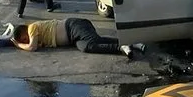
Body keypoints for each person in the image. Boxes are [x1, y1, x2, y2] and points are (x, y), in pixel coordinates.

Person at [11, 18, 146, 58]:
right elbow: (36, 45)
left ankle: (121, 47)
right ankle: (130, 43)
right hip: (73, 38)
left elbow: (32, 47)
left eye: (24, 39)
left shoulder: (31, 28)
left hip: (73, 26)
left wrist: (18, 45)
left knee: (93, 43)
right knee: (87, 47)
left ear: (24, 30)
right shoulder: (36, 32)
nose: (26, 41)